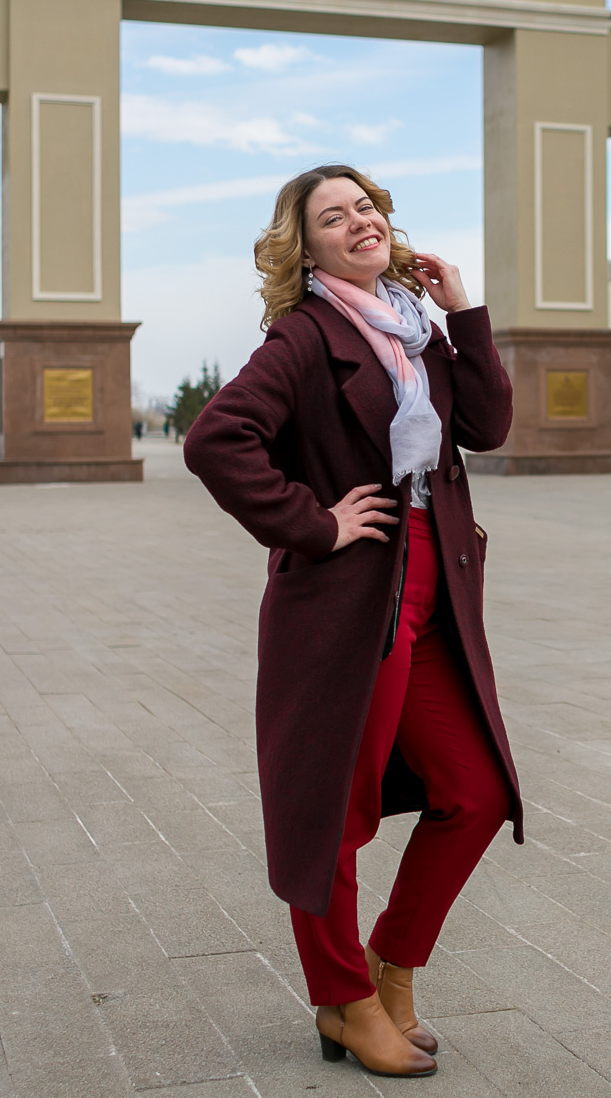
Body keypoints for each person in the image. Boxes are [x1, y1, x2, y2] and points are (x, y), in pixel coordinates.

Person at [184, 166, 518, 1080]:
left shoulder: (415, 328)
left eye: (366, 206)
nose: (359, 221)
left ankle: (390, 968)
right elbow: (217, 440)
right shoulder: (304, 336)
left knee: (478, 791)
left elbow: (485, 428)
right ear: (310, 248)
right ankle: (341, 1000)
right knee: (337, 810)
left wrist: (467, 316)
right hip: (347, 603)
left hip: (435, 589)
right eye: (334, 217)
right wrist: (312, 522)